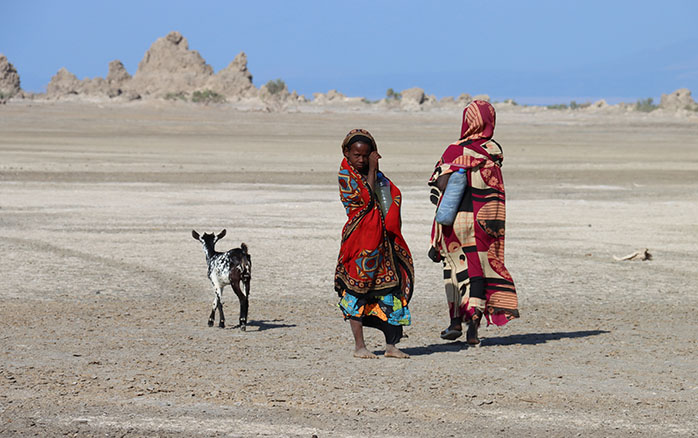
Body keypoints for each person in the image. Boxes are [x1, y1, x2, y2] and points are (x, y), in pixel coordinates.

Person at [427, 101, 519, 345]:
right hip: (483, 220)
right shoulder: (493, 152)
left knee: (454, 269)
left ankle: (455, 321)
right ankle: (473, 328)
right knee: (478, 270)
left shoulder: (453, 151)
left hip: (454, 221)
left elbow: (438, 187)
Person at [335, 128, 414, 359]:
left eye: (365, 155)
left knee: (390, 290)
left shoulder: (377, 176)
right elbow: (368, 199)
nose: (360, 160)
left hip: (382, 243)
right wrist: (372, 169)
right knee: (357, 290)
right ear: (347, 152)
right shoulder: (346, 175)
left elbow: (390, 196)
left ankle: (391, 345)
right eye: (356, 155)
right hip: (359, 242)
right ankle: (360, 347)